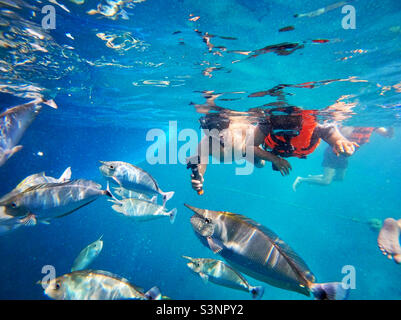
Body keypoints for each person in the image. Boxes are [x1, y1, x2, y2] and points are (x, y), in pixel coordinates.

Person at [187, 104, 358, 194]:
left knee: (260, 163)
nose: (218, 138)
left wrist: (274, 158)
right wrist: (200, 176)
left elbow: (325, 128)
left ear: (229, 125)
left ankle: (261, 159)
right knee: (259, 159)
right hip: (243, 151)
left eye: (220, 134)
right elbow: (200, 161)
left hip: (248, 151)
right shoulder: (205, 143)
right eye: (212, 135)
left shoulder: (241, 129)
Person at [292, 126, 393, 191]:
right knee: (326, 181)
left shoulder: (372, 125)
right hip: (334, 152)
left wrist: (391, 124)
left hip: (344, 155)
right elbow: (337, 135)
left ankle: (314, 177)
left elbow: (387, 134)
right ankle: (302, 179)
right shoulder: (353, 125)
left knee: (339, 178)